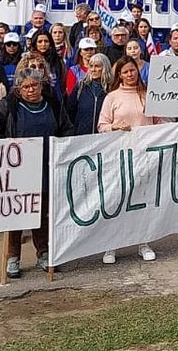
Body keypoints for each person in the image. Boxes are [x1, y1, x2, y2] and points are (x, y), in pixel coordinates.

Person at [0, 68, 72, 277]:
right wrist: (11, 148)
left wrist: (61, 145)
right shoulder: (8, 106)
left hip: (46, 166)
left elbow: (67, 128)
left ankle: (44, 253)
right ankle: (12, 257)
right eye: (26, 87)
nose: (31, 90)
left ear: (42, 85)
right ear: (18, 89)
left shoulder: (53, 104)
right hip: (18, 169)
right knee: (17, 213)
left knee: (41, 212)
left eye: (35, 85)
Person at [95, 57, 161, 263]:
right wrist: (114, 127)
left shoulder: (147, 95)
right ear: (119, 75)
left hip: (144, 155)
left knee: (142, 200)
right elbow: (101, 125)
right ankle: (111, 245)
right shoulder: (112, 97)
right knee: (117, 199)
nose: (130, 74)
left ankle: (143, 242)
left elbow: (159, 122)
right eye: (125, 72)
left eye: (133, 70)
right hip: (119, 156)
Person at [66, 54, 109, 136]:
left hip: (104, 139)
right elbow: (70, 110)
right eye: (91, 66)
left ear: (105, 67)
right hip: (81, 136)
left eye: (97, 66)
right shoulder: (80, 86)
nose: (93, 69)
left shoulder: (111, 88)